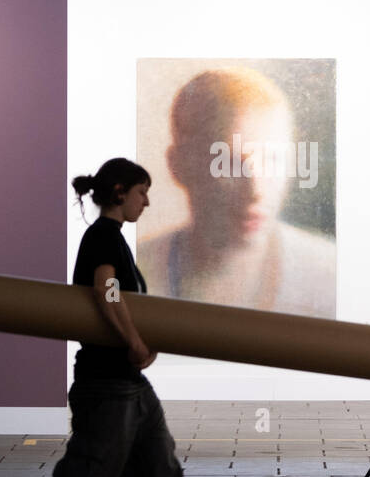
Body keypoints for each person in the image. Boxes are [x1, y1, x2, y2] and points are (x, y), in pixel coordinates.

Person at [5, 157, 242, 477]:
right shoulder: (102, 239)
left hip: (130, 388)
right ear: (119, 192)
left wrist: (139, 348)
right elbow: (106, 290)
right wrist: (134, 342)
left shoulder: (113, 240)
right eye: (141, 192)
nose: (147, 202)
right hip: (107, 389)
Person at [139, 68, 336, 316]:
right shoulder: (134, 273)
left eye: (273, 160)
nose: (257, 191)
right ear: (179, 165)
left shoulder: (330, 276)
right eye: (229, 162)